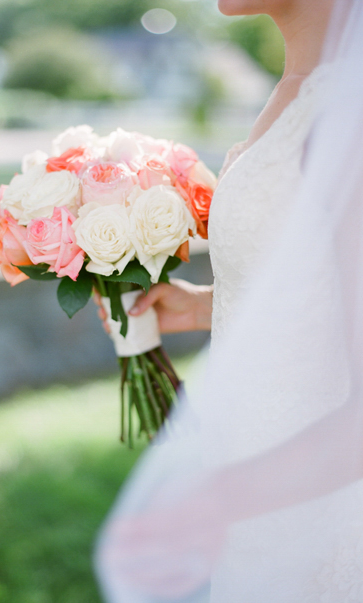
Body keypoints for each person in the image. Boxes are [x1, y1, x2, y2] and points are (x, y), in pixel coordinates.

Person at [94, 0, 363, 601]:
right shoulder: (302, 88)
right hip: (260, 482)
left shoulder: (350, 112)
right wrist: (202, 304)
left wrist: (214, 499)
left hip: (318, 505)